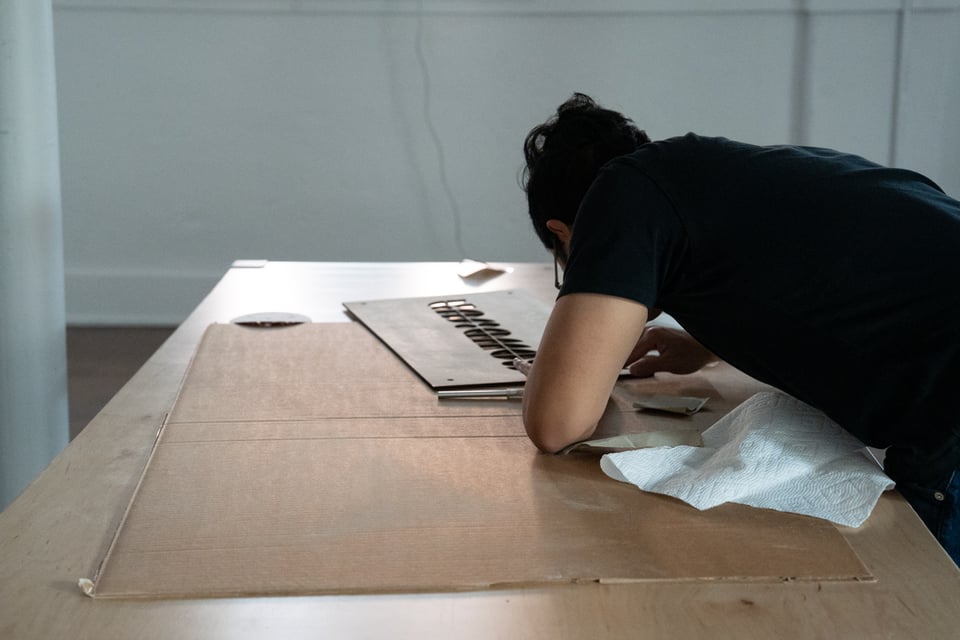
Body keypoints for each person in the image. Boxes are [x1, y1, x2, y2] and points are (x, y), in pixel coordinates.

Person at [519, 93, 960, 565]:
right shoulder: (713, 171)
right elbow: (830, 281)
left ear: (566, 233)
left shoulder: (618, 193)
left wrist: (559, 374)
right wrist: (706, 344)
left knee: (915, 597)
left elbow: (556, 426)